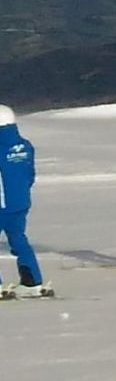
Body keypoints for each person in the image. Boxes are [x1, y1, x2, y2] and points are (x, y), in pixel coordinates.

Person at [1, 104, 49, 300]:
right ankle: (32, 282)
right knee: (19, 240)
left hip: (1, 204)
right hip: (19, 203)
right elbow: (30, 174)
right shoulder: (25, 145)